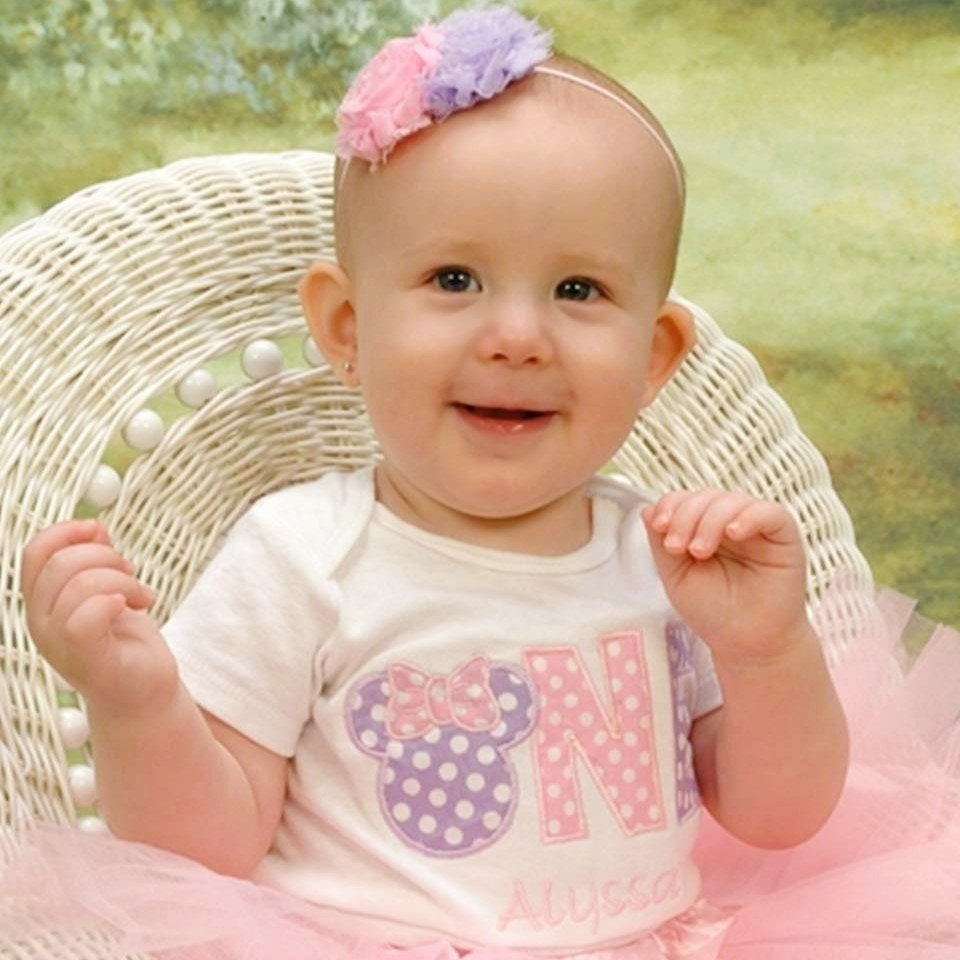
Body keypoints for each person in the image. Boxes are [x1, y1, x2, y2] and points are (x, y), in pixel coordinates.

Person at [5, 6, 959, 960]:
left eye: (578, 291)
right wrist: (134, 702)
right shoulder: (303, 555)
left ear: (654, 353)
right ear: (345, 327)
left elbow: (780, 818)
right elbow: (205, 847)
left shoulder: (670, 562)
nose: (517, 336)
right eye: (454, 278)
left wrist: (763, 654)